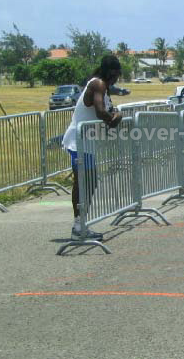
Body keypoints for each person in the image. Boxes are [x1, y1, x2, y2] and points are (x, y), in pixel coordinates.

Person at [62, 55, 123, 240]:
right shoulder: (98, 84)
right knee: (82, 183)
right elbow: (101, 112)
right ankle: (78, 227)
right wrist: (116, 118)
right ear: (111, 73)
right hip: (77, 141)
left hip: (87, 142)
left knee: (90, 182)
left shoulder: (103, 86)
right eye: (116, 74)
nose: (117, 79)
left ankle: (82, 224)